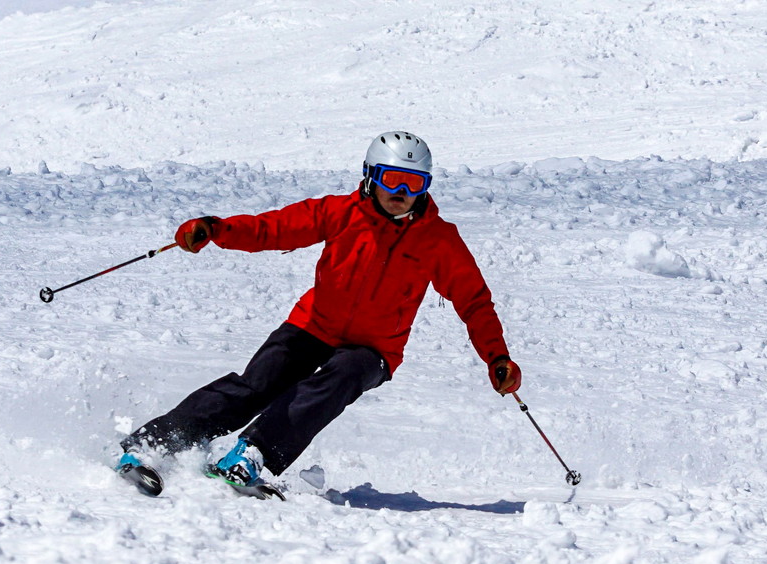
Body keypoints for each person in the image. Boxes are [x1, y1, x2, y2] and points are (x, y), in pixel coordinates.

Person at [118, 131, 522, 491]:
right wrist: (216, 228)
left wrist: (497, 356)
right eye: (390, 178)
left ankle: (251, 455)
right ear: (369, 176)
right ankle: (152, 444)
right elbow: (272, 229)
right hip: (314, 324)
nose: (401, 191)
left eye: (414, 182)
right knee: (256, 386)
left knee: (337, 380)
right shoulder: (339, 212)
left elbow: (474, 301)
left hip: (374, 349)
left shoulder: (440, 240)